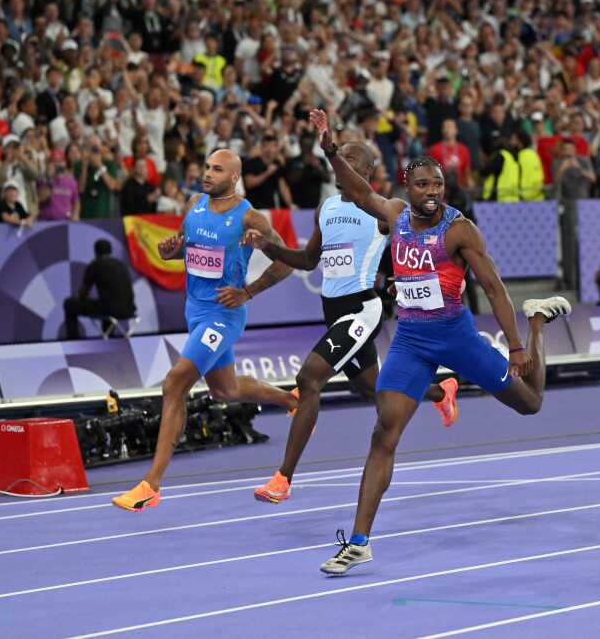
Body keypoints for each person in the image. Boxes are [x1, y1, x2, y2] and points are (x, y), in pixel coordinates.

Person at [309, 108, 570, 575]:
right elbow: (357, 190)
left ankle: (539, 322)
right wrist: (331, 150)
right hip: (410, 340)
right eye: (424, 186)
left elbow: (493, 288)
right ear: (407, 187)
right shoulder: (393, 214)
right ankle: (360, 541)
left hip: (455, 338)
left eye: (439, 186)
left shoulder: (458, 229)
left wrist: (517, 345)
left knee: (530, 404)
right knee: (382, 433)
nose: (433, 193)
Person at [243, 139, 459, 504]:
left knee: (309, 379)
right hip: (333, 311)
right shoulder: (326, 207)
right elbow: (309, 260)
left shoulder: (382, 211)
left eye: (352, 159)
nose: (343, 163)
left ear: (368, 173)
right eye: (340, 157)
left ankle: (283, 479)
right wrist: (270, 247)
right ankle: (440, 391)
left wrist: (409, 281)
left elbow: (419, 243)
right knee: (370, 387)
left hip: (362, 308)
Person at [112, 149, 303, 511]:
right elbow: (189, 250)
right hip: (194, 310)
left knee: (175, 382)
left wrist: (247, 291)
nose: (207, 173)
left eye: (217, 170)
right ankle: (292, 399)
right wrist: (172, 253)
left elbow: (288, 263)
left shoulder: (250, 218)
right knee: (224, 390)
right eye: (207, 167)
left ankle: (151, 485)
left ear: (233, 177)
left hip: (223, 315)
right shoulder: (196, 203)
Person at [62, 239, 136, 340]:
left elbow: (83, 293)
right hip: (129, 310)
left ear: (95, 252)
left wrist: (77, 296)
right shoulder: (121, 264)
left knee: (69, 304)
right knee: (107, 303)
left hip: (110, 310)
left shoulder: (95, 265)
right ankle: (109, 336)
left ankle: (73, 340)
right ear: (110, 251)